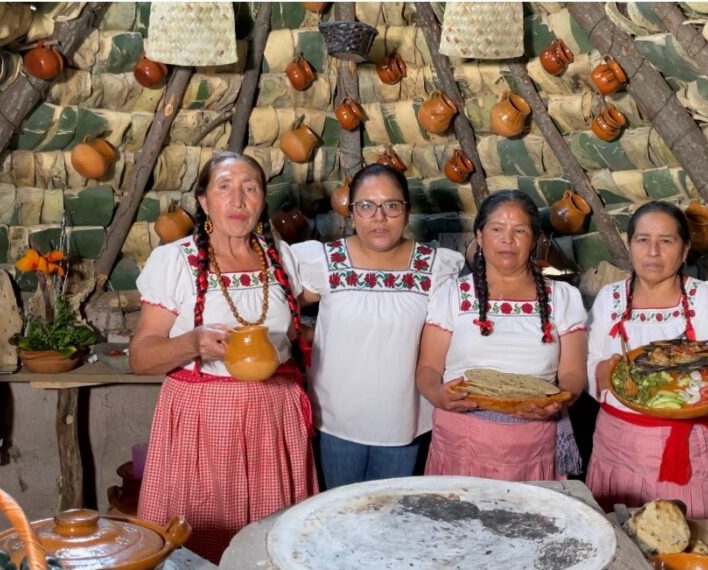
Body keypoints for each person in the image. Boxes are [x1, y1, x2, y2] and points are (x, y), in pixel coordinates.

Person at [130, 151, 317, 562]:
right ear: (204, 202)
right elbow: (141, 357)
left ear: (262, 200)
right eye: (224, 188)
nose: (238, 201)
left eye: (250, 188)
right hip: (202, 424)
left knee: (269, 547)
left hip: (274, 420)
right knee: (199, 546)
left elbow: (298, 329)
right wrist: (191, 344)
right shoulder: (175, 261)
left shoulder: (281, 258)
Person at [291, 164, 464, 489]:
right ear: (352, 213)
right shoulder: (327, 262)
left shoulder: (434, 267)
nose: (379, 217)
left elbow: (444, 342)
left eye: (391, 206)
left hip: (402, 421)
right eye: (367, 206)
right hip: (335, 418)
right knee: (339, 517)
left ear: (407, 211)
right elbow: (277, 308)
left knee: (390, 521)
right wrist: (308, 336)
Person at [416, 190, 588, 481]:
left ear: (534, 239)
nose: (507, 239)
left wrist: (557, 401)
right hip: (461, 442)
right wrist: (437, 395)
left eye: (519, 230)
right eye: (497, 229)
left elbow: (573, 375)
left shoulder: (563, 298)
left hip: (533, 444)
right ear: (480, 237)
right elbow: (428, 368)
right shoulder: (452, 295)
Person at [586, 200, 708, 519]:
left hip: (681, 445)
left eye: (666, 241)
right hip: (616, 444)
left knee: (679, 541)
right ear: (630, 246)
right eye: (642, 240)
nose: (653, 252)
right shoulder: (610, 298)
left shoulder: (703, 298)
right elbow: (591, 369)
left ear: (684, 250)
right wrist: (605, 370)